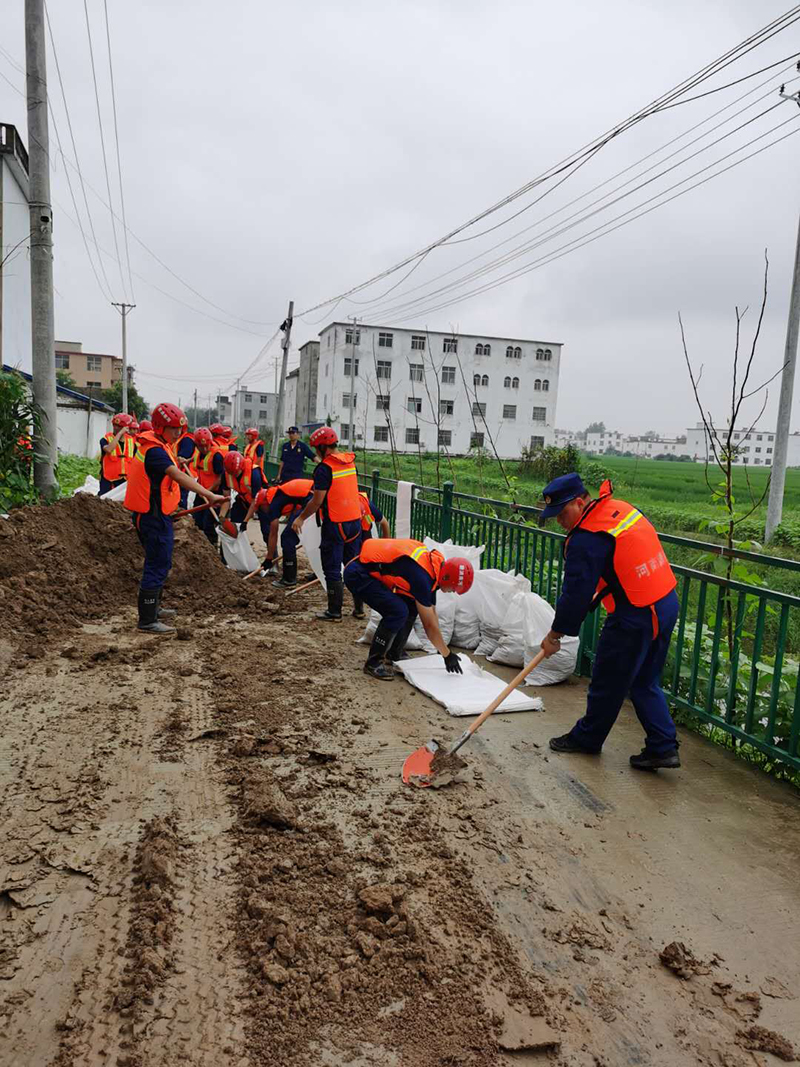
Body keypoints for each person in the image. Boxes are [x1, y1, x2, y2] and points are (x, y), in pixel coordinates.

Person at [538, 473, 681, 770]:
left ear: (580, 503)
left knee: (607, 678)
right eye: (555, 516)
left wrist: (555, 635)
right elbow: (622, 559)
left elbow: (575, 595)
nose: (560, 521)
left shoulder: (586, 537)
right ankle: (663, 746)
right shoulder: (619, 509)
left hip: (637, 614)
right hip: (665, 601)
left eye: (562, 513)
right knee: (643, 680)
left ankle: (587, 738)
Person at [124, 402, 226, 634]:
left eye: (180, 428)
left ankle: (154, 609)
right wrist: (209, 494)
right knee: (157, 563)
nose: (178, 433)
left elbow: (167, 470)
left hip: (156, 514)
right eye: (174, 428)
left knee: (161, 561)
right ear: (160, 427)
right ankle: (147, 620)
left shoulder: (158, 444)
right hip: (153, 516)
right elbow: (177, 476)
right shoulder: (155, 451)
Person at [344, 538, 474, 680]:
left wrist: (441, 648)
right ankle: (373, 663)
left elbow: (431, 612)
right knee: (397, 611)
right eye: (453, 588)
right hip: (358, 575)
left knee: (411, 606)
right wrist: (447, 654)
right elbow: (429, 626)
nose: (452, 591)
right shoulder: (423, 578)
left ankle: (394, 653)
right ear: (448, 578)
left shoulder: (435, 568)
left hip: (365, 570)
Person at [291, 427, 362, 622]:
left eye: (316, 448)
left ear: (322, 447)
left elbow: (317, 501)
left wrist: (300, 518)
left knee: (331, 568)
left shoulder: (324, 469)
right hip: (355, 523)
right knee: (353, 566)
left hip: (336, 524)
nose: (316, 452)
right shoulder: (350, 462)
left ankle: (334, 611)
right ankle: (359, 609)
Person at [244, 478, 314, 587]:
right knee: (316, 539)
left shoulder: (273, 503)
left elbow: (273, 533)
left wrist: (269, 558)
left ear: (264, 503)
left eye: (261, 508)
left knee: (287, 538)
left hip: (313, 500)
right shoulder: (278, 494)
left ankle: (289, 579)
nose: (262, 511)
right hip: (317, 497)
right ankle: (320, 573)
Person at [351, 493, 391, 618]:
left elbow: (384, 523)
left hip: (356, 542)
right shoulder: (364, 500)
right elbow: (385, 523)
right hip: (364, 542)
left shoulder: (359, 501)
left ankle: (359, 609)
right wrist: (386, 546)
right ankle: (360, 609)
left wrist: (385, 546)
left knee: (355, 574)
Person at [191, 427, 224, 545]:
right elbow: (198, 460)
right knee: (196, 521)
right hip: (202, 492)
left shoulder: (216, 456)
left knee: (208, 524)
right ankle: (198, 547)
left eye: (206, 446)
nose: (204, 449)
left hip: (214, 494)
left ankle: (212, 547)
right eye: (201, 447)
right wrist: (187, 460)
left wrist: (207, 492)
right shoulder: (199, 454)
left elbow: (220, 479)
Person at [221, 450, 263, 529]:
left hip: (261, 501)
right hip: (243, 500)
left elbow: (255, 501)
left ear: (242, 467)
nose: (233, 475)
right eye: (231, 473)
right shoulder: (226, 474)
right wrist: (221, 517)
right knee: (235, 519)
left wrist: (245, 521)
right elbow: (226, 498)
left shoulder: (254, 474)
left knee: (266, 528)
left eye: (235, 472)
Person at [99, 413, 135, 496]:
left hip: (125, 480)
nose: (115, 428)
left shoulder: (131, 441)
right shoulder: (105, 439)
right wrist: (120, 434)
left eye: (119, 426)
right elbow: (109, 449)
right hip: (108, 479)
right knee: (103, 499)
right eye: (114, 425)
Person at [175, 426, 197, 508]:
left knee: (183, 499)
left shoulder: (187, 440)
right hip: (183, 473)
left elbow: (183, 457)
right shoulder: (181, 439)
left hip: (186, 473)